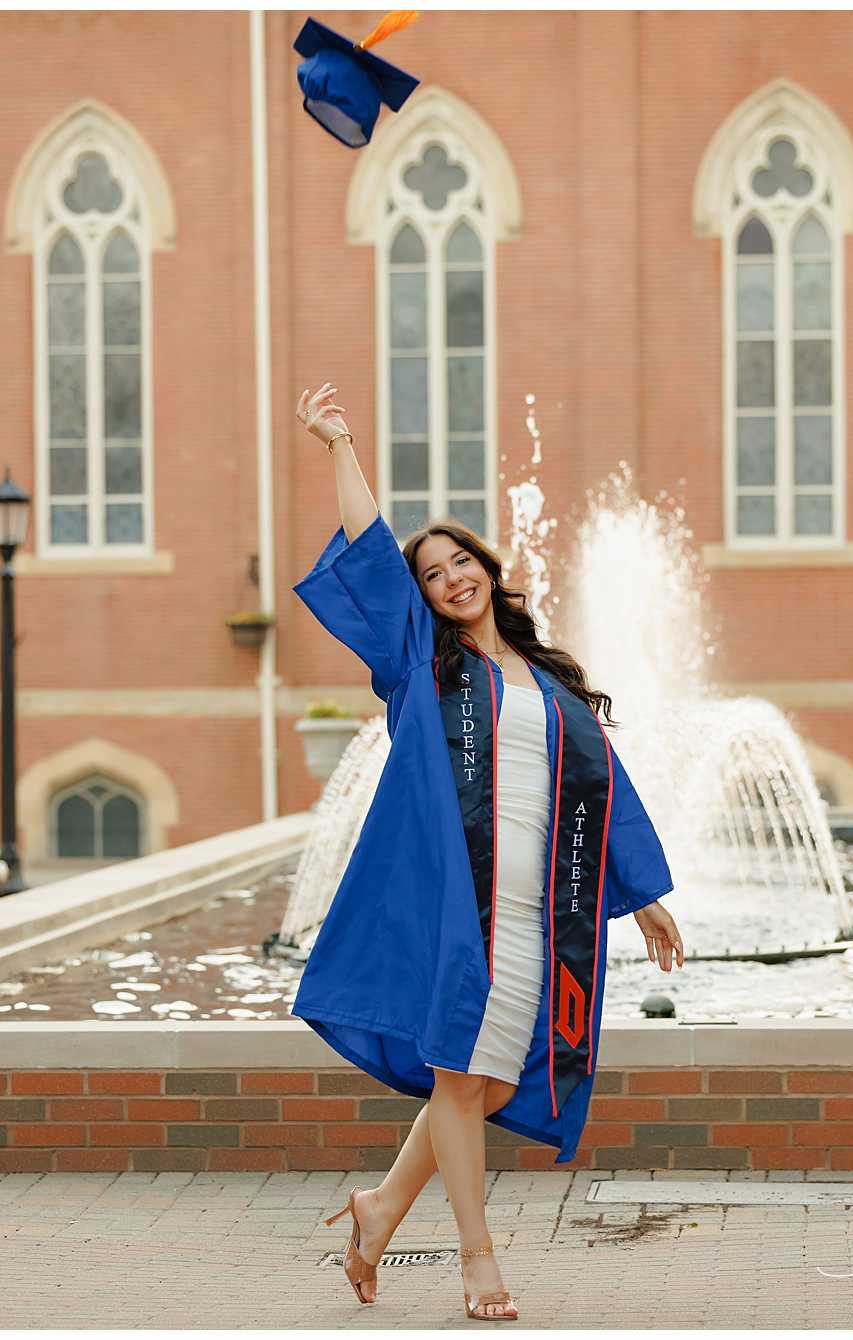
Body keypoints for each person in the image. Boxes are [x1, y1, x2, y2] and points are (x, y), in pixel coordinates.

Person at [290, 382, 686, 1321]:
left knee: (488, 1077)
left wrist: (644, 896)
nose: (449, 577)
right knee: (460, 1076)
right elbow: (371, 556)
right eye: (432, 573)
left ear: (487, 567)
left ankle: (379, 1207)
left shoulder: (548, 682)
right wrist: (340, 446)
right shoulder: (424, 667)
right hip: (457, 909)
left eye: (459, 560)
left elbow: (606, 792)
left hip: (536, 914)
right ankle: (478, 1261)